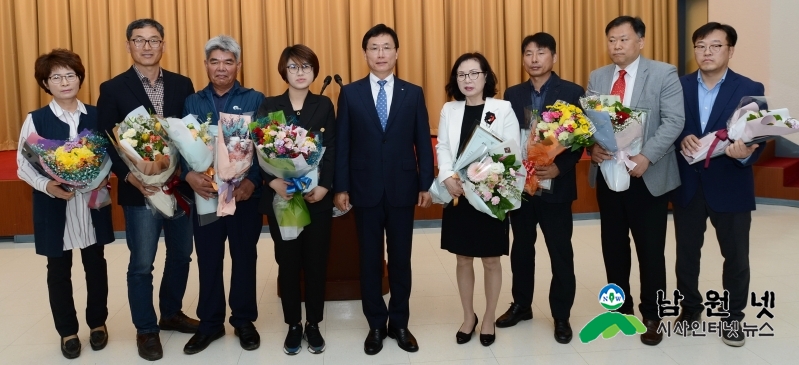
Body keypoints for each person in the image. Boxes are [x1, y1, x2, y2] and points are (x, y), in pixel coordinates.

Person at [97, 18, 197, 361]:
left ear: (163, 45)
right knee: (142, 263)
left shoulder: (183, 84)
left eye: (153, 40)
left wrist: (186, 168)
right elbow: (107, 140)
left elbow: (190, 134)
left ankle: (170, 312)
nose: (147, 46)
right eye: (139, 41)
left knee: (181, 254)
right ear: (129, 46)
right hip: (139, 190)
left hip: (178, 186)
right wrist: (128, 176)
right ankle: (146, 328)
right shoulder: (112, 88)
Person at [333, 23, 434, 355]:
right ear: (365, 53)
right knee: (370, 260)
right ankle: (376, 324)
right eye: (374, 48)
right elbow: (343, 142)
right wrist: (342, 186)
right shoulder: (350, 93)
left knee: (401, 259)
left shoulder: (413, 92)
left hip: (404, 187)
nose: (380, 53)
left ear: (396, 52)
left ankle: (400, 323)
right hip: (364, 189)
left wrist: (425, 183)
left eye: (386, 47)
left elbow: (422, 139)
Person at [588, 15, 685, 346]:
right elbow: (589, 121)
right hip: (609, 175)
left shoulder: (663, 73)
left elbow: (674, 121)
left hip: (648, 176)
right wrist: (593, 146)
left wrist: (647, 157)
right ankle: (618, 310)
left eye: (623, 39)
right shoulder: (598, 76)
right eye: (611, 39)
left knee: (650, 249)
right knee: (613, 248)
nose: (616, 45)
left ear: (640, 42)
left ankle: (653, 315)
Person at [672, 22, 765, 347]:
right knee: (686, 255)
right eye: (700, 46)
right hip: (688, 185)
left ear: (730, 50)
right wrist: (682, 138)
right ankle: (690, 309)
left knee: (736, 256)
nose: (706, 52)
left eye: (715, 46)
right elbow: (668, 126)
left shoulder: (750, 88)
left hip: (731, 184)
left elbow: (760, 138)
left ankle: (734, 317)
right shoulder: (678, 86)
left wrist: (744, 154)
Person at [17, 49, 113, 360]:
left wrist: (101, 176)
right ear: (46, 83)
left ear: (80, 78)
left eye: (70, 75)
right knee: (58, 269)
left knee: (95, 264)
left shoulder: (97, 114)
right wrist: (48, 185)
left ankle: (98, 323)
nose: (64, 81)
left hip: (91, 203)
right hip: (55, 204)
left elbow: (113, 152)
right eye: (56, 77)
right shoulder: (36, 119)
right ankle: (68, 332)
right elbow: (24, 162)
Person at [498, 32, 585, 344]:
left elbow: (582, 139)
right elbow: (506, 138)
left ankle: (561, 314)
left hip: (555, 187)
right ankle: (522, 304)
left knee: (560, 251)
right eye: (528, 53)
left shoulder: (573, 93)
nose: (534, 59)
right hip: (521, 187)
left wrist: (559, 167)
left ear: (554, 57)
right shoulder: (512, 93)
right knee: (521, 248)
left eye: (541, 53)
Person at [180, 35, 265, 354]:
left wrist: (252, 182)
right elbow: (184, 149)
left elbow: (263, 147)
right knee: (209, 259)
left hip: (243, 196)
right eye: (214, 61)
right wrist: (189, 176)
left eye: (228, 62)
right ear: (205, 65)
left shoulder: (256, 99)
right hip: (206, 195)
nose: (221, 68)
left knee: (245, 258)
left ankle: (243, 320)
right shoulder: (192, 101)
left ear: (238, 65)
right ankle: (211, 323)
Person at [256, 44, 336, 356]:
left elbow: (330, 148)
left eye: (306, 67)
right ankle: (293, 324)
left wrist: (325, 187)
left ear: (315, 71)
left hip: (315, 198)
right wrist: (273, 180)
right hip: (283, 198)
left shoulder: (324, 104)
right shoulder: (270, 105)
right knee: (288, 262)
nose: (300, 73)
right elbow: (260, 149)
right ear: (284, 70)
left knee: (316, 262)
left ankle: (313, 322)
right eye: (293, 67)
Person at [436, 52, 520, 347]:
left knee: (491, 260)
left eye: (474, 73)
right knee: (462, 257)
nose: (467, 80)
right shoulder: (450, 109)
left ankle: (487, 317)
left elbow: (510, 152)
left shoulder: (503, 108)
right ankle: (468, 315)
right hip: (457, 192)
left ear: (486, 76)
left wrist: (479, 177)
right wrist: (447, 176)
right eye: (461, 75)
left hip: (489, 193)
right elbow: (443, 147)